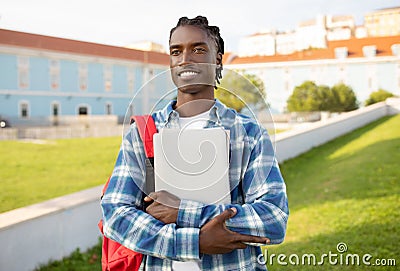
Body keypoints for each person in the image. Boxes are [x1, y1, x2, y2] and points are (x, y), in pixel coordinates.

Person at [101, 16, 289, 270]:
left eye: (198, 49)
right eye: (176, 51)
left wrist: (184, 212)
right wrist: (195, 242)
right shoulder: (142, 133)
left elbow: (274, 219)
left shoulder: (249, 132)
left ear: (218, 59)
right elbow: (116, 216)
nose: (185, 59)